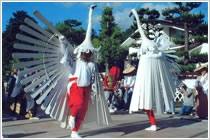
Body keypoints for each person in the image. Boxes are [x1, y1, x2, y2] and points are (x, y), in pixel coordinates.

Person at [129, 9, 178, 131]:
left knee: (147, 103)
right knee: (148, 103)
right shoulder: (154, 53)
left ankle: (153, 124)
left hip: (147, 79)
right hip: (147, 78)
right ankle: (153, 124)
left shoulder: (150, 54)